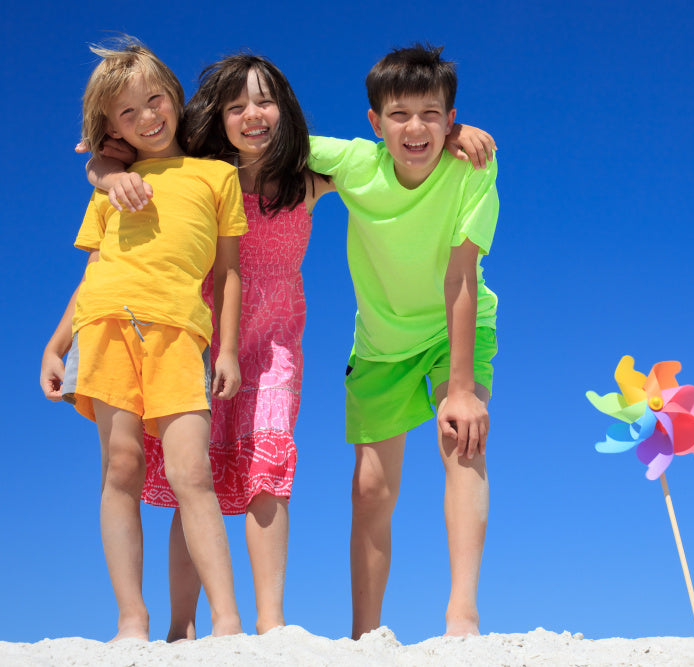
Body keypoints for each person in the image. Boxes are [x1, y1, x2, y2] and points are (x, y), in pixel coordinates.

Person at [81, 52, 496, 640]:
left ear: (285, 111)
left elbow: (399, 140)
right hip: (206, 336)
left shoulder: (308, 178)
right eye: (236, 105)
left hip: (275, 345)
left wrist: (455, 131)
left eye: (265, 101)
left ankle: (271, 622)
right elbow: (129, 161)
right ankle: (182, 626)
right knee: (191, 476)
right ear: (216, 117)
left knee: (268, 467)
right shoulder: (200, 172)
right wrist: (102, 164)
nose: (253, 115)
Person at [38, 38, 245, 641]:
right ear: (110, 126)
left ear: (174, 97)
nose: (148, 117)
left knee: (192, 474)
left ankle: (227, 622)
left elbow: (228, 270)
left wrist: (226, 347)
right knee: (121, 468)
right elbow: (94, 269)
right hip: (103, 322)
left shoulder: (214, 177)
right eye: (128, 113)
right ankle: (132, 619)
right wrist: (56, 344)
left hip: (180, 329)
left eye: (155, 100)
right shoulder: (110, 184)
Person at [308, 43, 499, 638]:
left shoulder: (472, 165)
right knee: (369, 489)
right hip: (379, 343)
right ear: (374, 122)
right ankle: (366, 636)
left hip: (455, 326)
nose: (415, 128)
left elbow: (460, 273)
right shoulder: (353, 162)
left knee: (461, 439)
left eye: (432, 113)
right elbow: (265, 136)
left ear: (451, 117)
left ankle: (461, 613)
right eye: (398, 115)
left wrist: (461, 390)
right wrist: (109, 164)